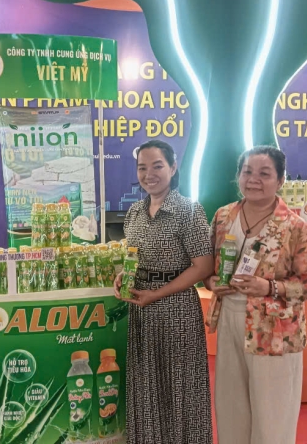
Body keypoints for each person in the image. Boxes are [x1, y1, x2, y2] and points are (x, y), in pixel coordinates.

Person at [205, 146, 307, 444]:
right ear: (238, 176)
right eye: (247, 172)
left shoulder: (296, 226)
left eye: (264, 173)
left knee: (273, 416)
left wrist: (270, 288)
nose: (253, 179)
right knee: (231, 408)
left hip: (274, 331)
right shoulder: (223, 216)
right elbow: (208, 265)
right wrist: (210, 281)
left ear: (280, 180)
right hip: (230, 320)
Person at [113, 139, 215, 444]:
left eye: (157, 166)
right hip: (142, 309)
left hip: (176, 310)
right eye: (142, 168)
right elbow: (134, 257)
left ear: (172, 167)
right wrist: (123, 275)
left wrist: (157, 294)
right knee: (146, 382)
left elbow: (203, 266)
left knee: (179, 384)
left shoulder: (188, 210)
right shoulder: (135, 212)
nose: (149, 174)